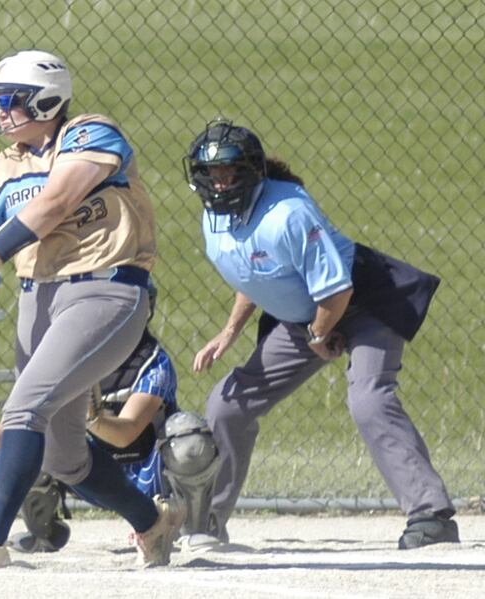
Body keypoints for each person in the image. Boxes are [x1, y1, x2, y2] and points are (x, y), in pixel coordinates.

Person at [0, 49, 183, 570]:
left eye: (10, 101)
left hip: (105, 289)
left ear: (46, 101)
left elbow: (55, 203)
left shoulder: (90, 134)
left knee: (24, 409)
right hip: (38, 298)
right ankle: (153, 522)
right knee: (63, 457)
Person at [183, 117, 460, 550]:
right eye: (210, 174)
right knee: (227, 405)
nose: (219, 183)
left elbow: (338, 289)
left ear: (252, 172)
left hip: (362, 302)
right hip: (309, 318)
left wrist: (318, 337)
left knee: (369, 398)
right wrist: (229, 331)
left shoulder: (289, 213)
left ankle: (431, 515)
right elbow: (254, 272)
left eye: (229, 172)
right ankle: (207, 524)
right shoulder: (214, 221)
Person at [0, 284, 222, 554]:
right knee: (38, 443)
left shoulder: (153, 362)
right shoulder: (70, 356)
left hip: (149, 479)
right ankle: (44, 532)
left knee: (187, 435)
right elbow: (28, 420)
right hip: (88, 475)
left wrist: (93, 418)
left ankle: (191, 530)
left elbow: (127, 433)